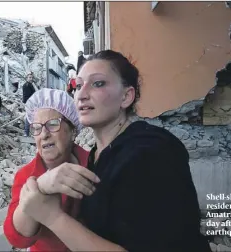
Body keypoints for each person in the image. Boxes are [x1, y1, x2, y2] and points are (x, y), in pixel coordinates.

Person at [17, 50, 211, 251]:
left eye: (98, 83)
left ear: (126, 96)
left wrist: (52, 217)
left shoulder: (151, 153)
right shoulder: (98, 155)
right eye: (78, 85)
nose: (81, 94)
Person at [4, 88, 100, 251]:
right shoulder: (27, 175)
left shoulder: (95, 165)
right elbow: (17, 238)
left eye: (53, 124)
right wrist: (40, 188)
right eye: (37, 128)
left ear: (73, 130)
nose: (44, 134)